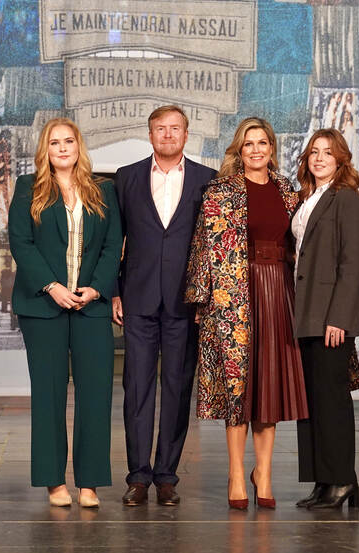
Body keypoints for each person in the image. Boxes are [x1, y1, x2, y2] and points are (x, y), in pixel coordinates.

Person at [186, 117, 308, 510]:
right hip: (234, 296)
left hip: (279, 294)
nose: (256, 150)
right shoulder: (220, 192)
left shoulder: (290, 191)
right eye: (248, 143)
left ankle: (265, 473)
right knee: (238, 388)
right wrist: (203, 303)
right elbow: (203, 248)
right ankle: (238, 473)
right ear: (239, 150)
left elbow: (301, 246)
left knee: (268, 388)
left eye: (262, 143)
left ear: (272, 148)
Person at [8, 118, 122, 508]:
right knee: (49, 395)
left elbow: (113, 245)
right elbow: (21, 243)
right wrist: (52, 286)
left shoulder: (103, 190)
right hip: (43, 307)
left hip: (91, 308)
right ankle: (54, 482)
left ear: (79, 146)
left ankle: (89, 483)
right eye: (54, 142)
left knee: (95, 395)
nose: (61, 148)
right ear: (45, 149)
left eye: (68, 141)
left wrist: (98, 289)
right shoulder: (28, 188)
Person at [113, 105, 217, 507]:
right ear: (150, 134)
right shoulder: (126, 178)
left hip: (185, 303)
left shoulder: (207, 181)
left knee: (177, 388)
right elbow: (112, 242)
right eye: (160, 128)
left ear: (186, 135)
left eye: (175, 129)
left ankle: (167, 476)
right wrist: (115, 291)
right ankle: (138, 476)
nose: (168, 135)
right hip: (137, 299)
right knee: (137, 389)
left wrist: (207, 298)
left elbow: (210, 247)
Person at [291, 128, 359, 510]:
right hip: (303, 314)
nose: (319, 158)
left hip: (329, 317)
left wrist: (339, 318)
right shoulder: (307, 199)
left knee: (332, 399)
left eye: (327, 152)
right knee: (312, 402)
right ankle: (323, 481)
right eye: (313, 153)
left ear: (341, 159)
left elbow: (351, 264)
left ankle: (342, 480)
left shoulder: (347, 199)